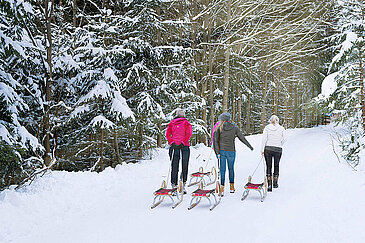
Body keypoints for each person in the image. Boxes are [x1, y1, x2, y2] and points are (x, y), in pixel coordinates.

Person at [213, 112, 253, 196]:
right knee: (231, 169)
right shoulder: (234, 127)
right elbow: (242, 137)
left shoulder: (218, 128)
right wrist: (250, 146)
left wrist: (217, 153)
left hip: (222, 151)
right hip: (231, 151)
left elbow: (215, 141)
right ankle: (232, 187)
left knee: (222, 170)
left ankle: (222, 189)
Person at [166, 108, 192, 194]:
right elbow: (188, 134)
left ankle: (174, 184)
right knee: (184, 165)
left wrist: (172, 142)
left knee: (174, 166)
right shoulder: (186, 123)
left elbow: (168, 134)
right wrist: (183, 142)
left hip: (174, 146)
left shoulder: (172, 123)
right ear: (183, 115)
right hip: (183, 146)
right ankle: (183, 184)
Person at [261, 115, 286, 192]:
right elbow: (285, 138)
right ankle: (275, 182)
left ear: (270, 121)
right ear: (277, 121)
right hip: (278, 149)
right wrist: (280, 143)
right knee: (276, 165)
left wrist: (262, 149)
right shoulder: (281, 128)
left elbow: (264, 139)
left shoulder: (267, 128)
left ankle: (269, 185)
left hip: (268, 148)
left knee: (268, 166)